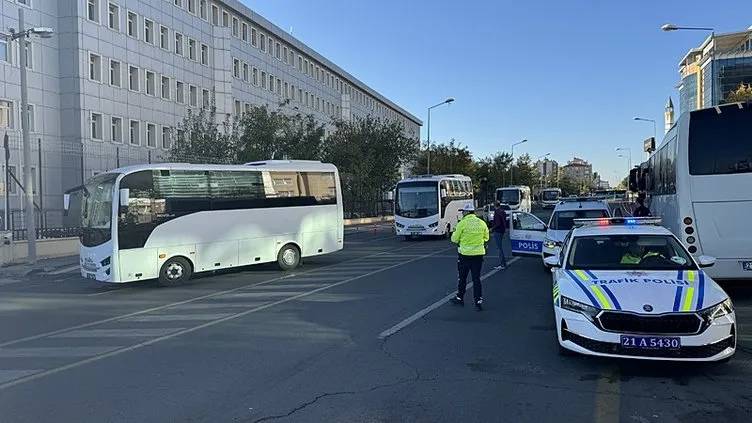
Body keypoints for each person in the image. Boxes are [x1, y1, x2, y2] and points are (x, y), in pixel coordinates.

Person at [450, 203, 490, 311]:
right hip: (478, 255)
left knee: (462, 278)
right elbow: (486, 237)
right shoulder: (482, 223)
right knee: (476, 279)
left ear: (467, 212)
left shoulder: (462, 223)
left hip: (464, 255)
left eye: (463, 211)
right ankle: (478, 300)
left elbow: (454, 239)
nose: (462, 213)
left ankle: (460, 297)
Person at [489, 201, 508, 269]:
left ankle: (503, 264)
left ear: (495, 206)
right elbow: (503, 222)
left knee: (499, 248)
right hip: (502, 230)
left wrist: (492, 229)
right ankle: (503, 263)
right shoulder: (502, 211)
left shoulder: (497, 212)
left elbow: (497, 223)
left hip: (497, 231)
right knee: (500, 247)